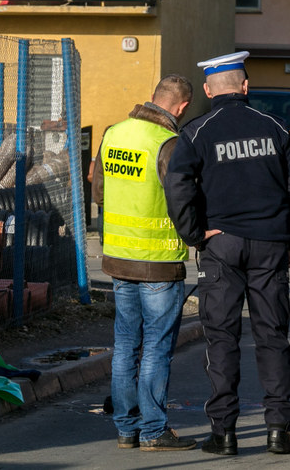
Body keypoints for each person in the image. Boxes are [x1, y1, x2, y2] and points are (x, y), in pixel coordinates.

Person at [165, 51, 290, 456]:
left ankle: (224, 434)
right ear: (246, 87)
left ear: (210, 91)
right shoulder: (275, 127)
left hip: (221, 245)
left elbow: (178, 187)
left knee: (222, 338)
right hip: (270, 245)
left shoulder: (195, 132)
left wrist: (195, 233)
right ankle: (279, 430)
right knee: (272, 335)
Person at [89, 74, 198, 452]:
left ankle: (126, 429)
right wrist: (199, 236)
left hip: (119, 260)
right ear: (181, 106)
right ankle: (153, 431)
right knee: (155, 347)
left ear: (154, 97)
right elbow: (182, 201)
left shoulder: (113, 133)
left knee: (124, 345)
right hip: (158, 262)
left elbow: (99, 191)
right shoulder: (168, 143)